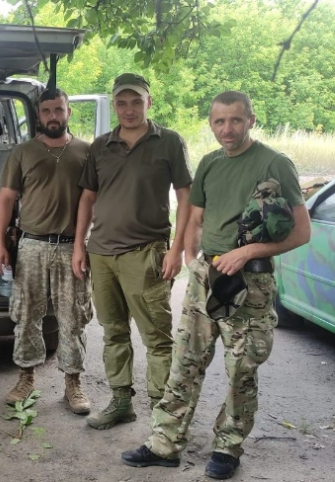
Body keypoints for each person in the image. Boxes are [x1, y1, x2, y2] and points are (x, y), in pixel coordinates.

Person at [121, 91, 310, 480]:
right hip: (206, 275)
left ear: (251, 120)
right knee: (185, 361)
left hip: (251, 280)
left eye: (236, 120)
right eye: (219, 121)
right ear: (210, 123)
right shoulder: (209, 163)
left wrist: (248, 251)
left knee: (241, 368)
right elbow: (195, 215)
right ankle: (165, 443)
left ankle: (228, 446)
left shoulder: (274, 163)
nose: (227, 129)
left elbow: (301, 232)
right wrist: (193, 259)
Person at [73, 73, 193, 429]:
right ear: (114, 105)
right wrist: (79, 245)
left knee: (156, 336)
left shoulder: (169, 142)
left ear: (148, 102)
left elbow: (186, 197)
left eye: (136, 102)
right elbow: (88, 197)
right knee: (113, 332)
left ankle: (162, 412)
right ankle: (121, 401)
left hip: (146, 252)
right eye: (122, 103)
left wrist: (177, 250)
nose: (129, 109)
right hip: (101, 254)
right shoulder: (100, 145)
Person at [0, 88, 93, 415]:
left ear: (68, 112)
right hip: (31, 245)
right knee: (26, 315)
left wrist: (83, 244)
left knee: (73, 317)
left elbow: (92, 201)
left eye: (58, 110)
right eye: (46, 111)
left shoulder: (86, 152)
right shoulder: (23, 152)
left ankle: (73, 383)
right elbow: (6, 199)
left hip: (71, 246)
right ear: (39, 115)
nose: (53, 116)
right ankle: (26, 379)